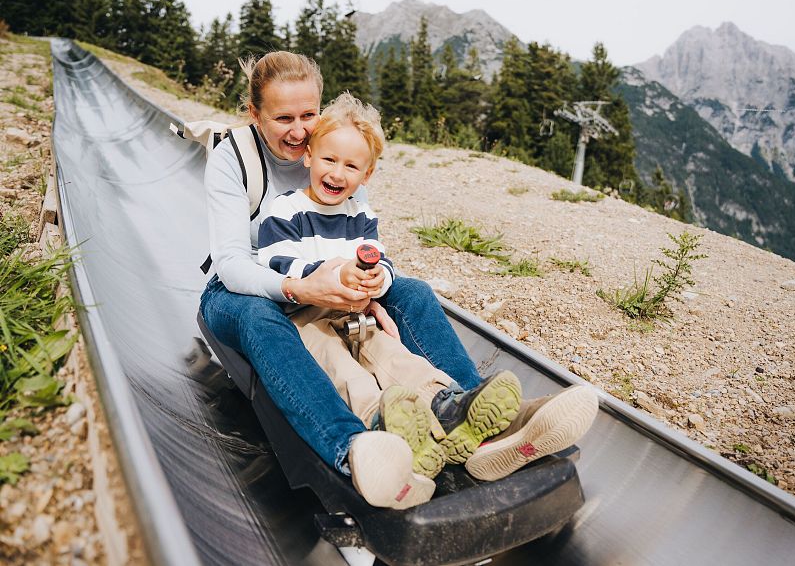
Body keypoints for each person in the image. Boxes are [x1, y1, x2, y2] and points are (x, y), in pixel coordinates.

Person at [198, 51, 598, 510]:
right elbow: (231, 263)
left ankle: (474, 416)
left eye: (309, 114)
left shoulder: (340, 151)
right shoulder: (235, 158)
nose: (299, 129)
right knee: (263, 316)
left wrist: (368, 286)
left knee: (411, 292)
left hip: (333, 292)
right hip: (245, 291)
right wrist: (302, 288)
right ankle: (354, 449)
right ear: (255, 114)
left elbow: (362, 238)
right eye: (282, 117)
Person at [257, 91, 525, 483]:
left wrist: (377, 278)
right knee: (342, 367)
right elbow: (277, 261)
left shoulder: (361, 215)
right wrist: (333, 275)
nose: (337, 174)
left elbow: (381, 261)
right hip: (305, 316)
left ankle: (446, 404)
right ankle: (381, 419)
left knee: (391, 353)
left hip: (356, 312)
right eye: (329, 159)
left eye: (351, 166)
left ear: (366, 175)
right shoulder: (285, 209)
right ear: (309, 156)